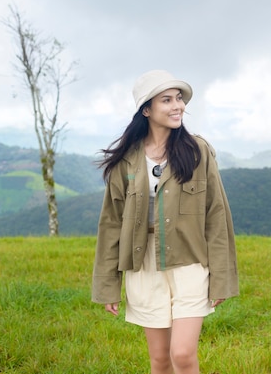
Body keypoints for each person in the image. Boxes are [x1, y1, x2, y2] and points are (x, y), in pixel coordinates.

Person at [92, 70, 239, 374]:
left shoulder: (198, 151)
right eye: (167, 100)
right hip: (143, 265)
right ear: (146, 110)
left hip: (190, 262)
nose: (179, 106)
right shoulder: (126, 162)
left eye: (180, 99)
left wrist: (221, 277)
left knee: (182, 355)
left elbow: (217, 215)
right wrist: (107, 286)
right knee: (159, 360)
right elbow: (111, 225)